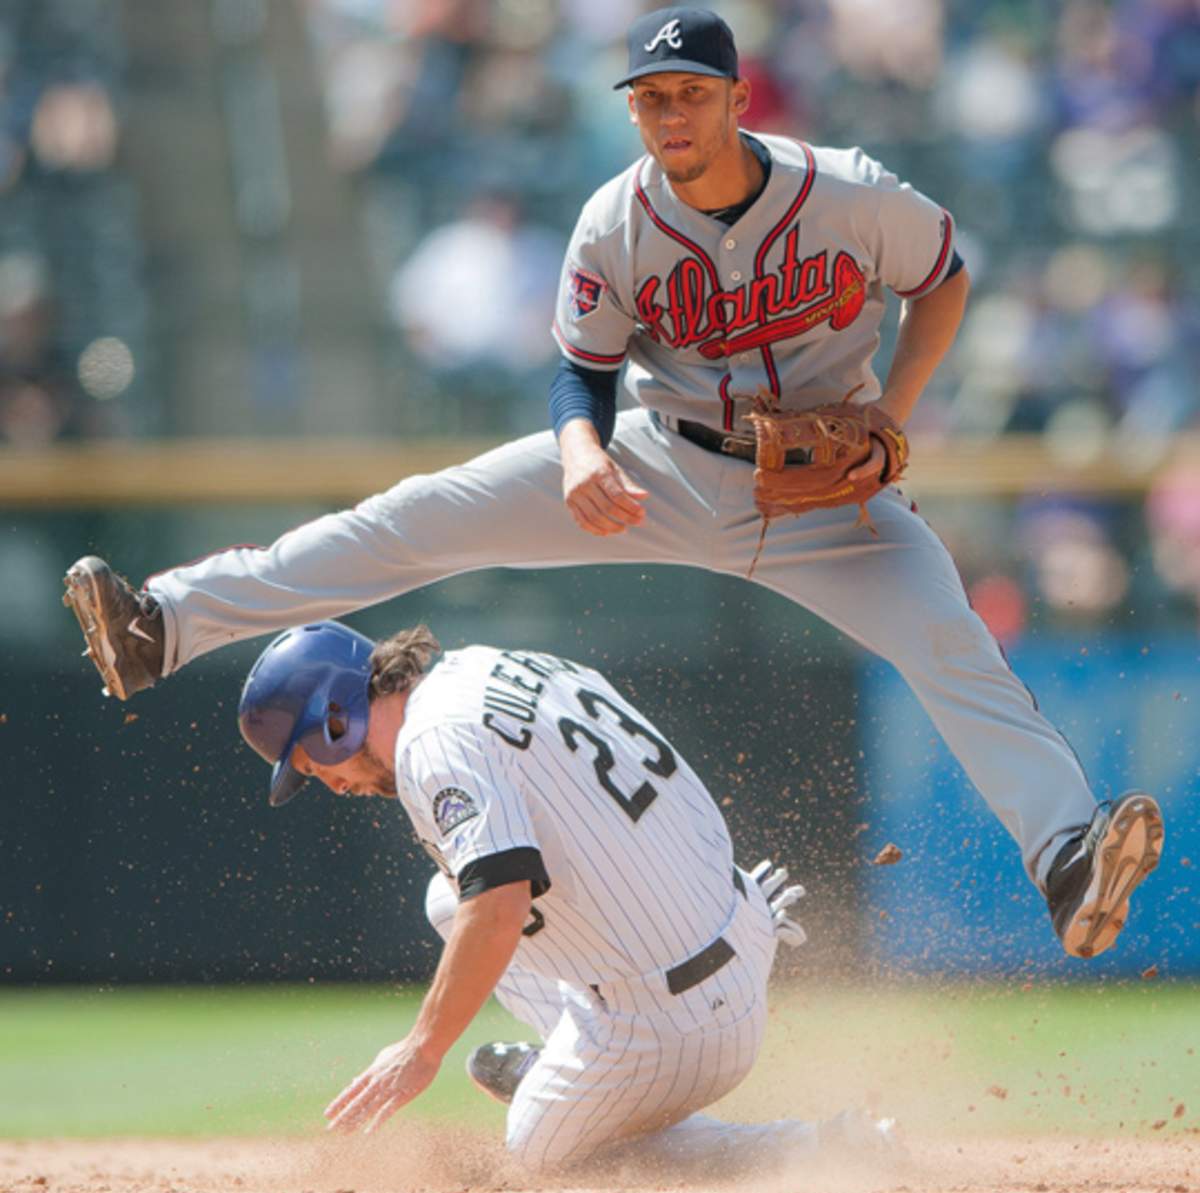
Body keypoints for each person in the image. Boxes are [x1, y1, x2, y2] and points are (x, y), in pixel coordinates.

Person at [63, 6, 1162, 961]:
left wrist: (893, 418)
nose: (669, 117)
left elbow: (944, 280)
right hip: (665, 461)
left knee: (951, 645)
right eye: (648, 101)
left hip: (836, 501)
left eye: (689, 95)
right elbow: (580, 373)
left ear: (736, 98)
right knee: (413, 520)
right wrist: (584, 455)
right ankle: (166, 625)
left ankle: (1068, 858)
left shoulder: (850, 193)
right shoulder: (616, 220)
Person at [236, 618, 886, 1174]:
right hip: (735, 919)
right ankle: (578, 1067)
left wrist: (422, 1048)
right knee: (447, 895)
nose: (325, 782)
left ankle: (812, 1149)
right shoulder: (486, 666)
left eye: (308, 765)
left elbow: (499, 908)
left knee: (539, 1152)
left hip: (681, 1025)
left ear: (335, 721)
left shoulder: (430, 743)